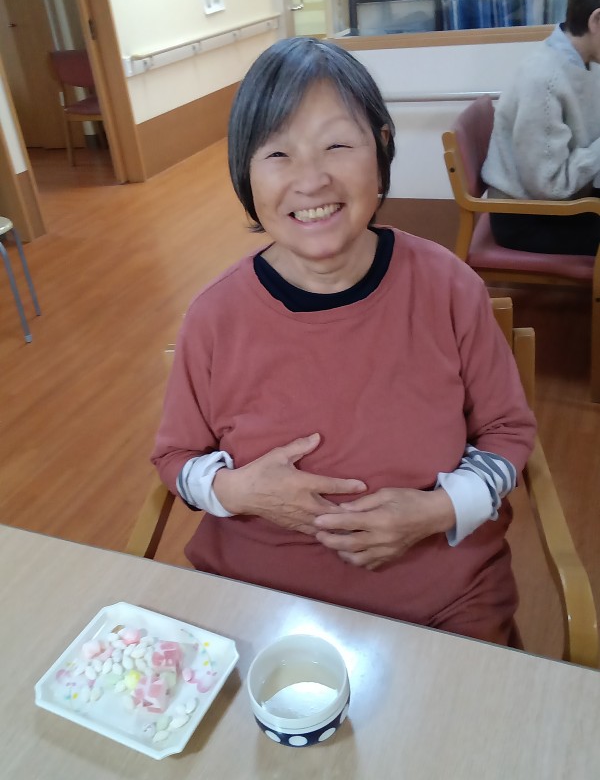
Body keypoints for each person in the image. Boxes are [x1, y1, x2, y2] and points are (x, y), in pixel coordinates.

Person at [152, 37, 536, 647]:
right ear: (245, 172)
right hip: (253, 602)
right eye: (278, 153)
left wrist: (434, 512)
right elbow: (176, 459)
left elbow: (508, 435)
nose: (311, 180)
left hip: (442, 603)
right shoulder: (214, 317)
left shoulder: (448, 286)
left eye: (336, 145)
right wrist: (237, 490)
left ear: (381, 147)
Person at [482, 0, 600, 256]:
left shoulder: (586, 61)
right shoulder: (544, 79)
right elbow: (550, 186)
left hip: (567, 198)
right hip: (527, 217)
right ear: (597, 20)